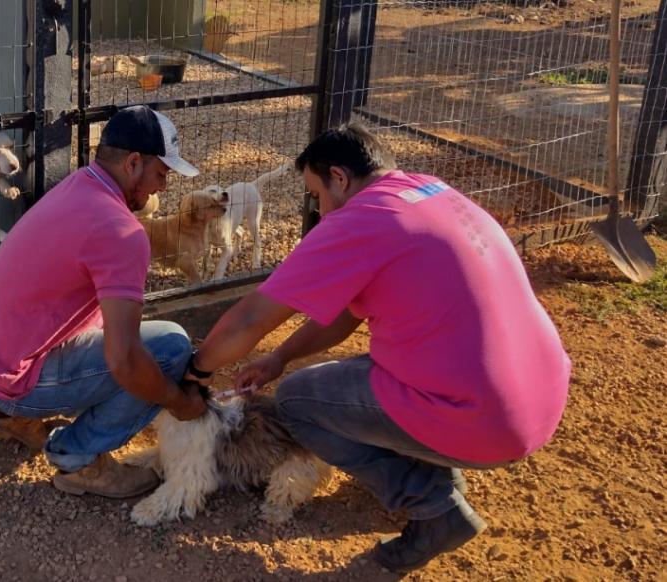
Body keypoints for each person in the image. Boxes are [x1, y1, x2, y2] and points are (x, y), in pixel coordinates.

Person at [184, 122, 571, 572]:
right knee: (366, 368)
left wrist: (197, 371)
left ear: (340, 178)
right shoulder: (431, 191)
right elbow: (345, 316)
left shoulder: (358, 221)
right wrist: (280, 356)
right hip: (539, 403)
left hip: (485, 423)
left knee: (296, 400)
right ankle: (435, 458)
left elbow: (252, 317)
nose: (321, 210)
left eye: (317, 195)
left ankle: (435, 506)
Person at [0, 105, 207, 499]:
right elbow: (125, 360)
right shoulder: (122, 232)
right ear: (133, 163)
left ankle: (10, 417)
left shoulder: (81, 185)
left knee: (120, 335)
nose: (162, 188)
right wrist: (178, 401)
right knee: (171, 348)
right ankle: (78, 459)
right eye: (161, 174)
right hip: (22, 380)